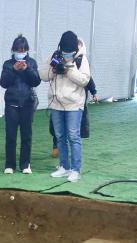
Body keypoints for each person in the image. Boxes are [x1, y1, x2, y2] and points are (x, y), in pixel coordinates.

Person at [40, 30, 91, 183]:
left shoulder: (81, 59)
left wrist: (69, 68)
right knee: (60, 137)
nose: (66, 54)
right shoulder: (55, 56)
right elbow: (42, 75)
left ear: (75, 50)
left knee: (73, 137)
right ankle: (64, 167)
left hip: (74, 105)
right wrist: (53, 70)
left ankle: (76, 170)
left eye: (69, 52)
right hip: (56, 104)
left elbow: (85, 80)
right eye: (64, 51)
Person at [1, 34, 39, 174]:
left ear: (27, 50)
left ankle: (25, 164)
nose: (20, 52)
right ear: (13, 50)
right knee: (11, 136)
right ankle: (9, 165)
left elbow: (36, 81)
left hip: (27, 103)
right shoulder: (7, 64)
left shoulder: (32, 63)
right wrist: (14, 70)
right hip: (11, 103)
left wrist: (27, 69)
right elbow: (3, 83)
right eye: (18, 49)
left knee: (26, 135)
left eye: (23, 50)